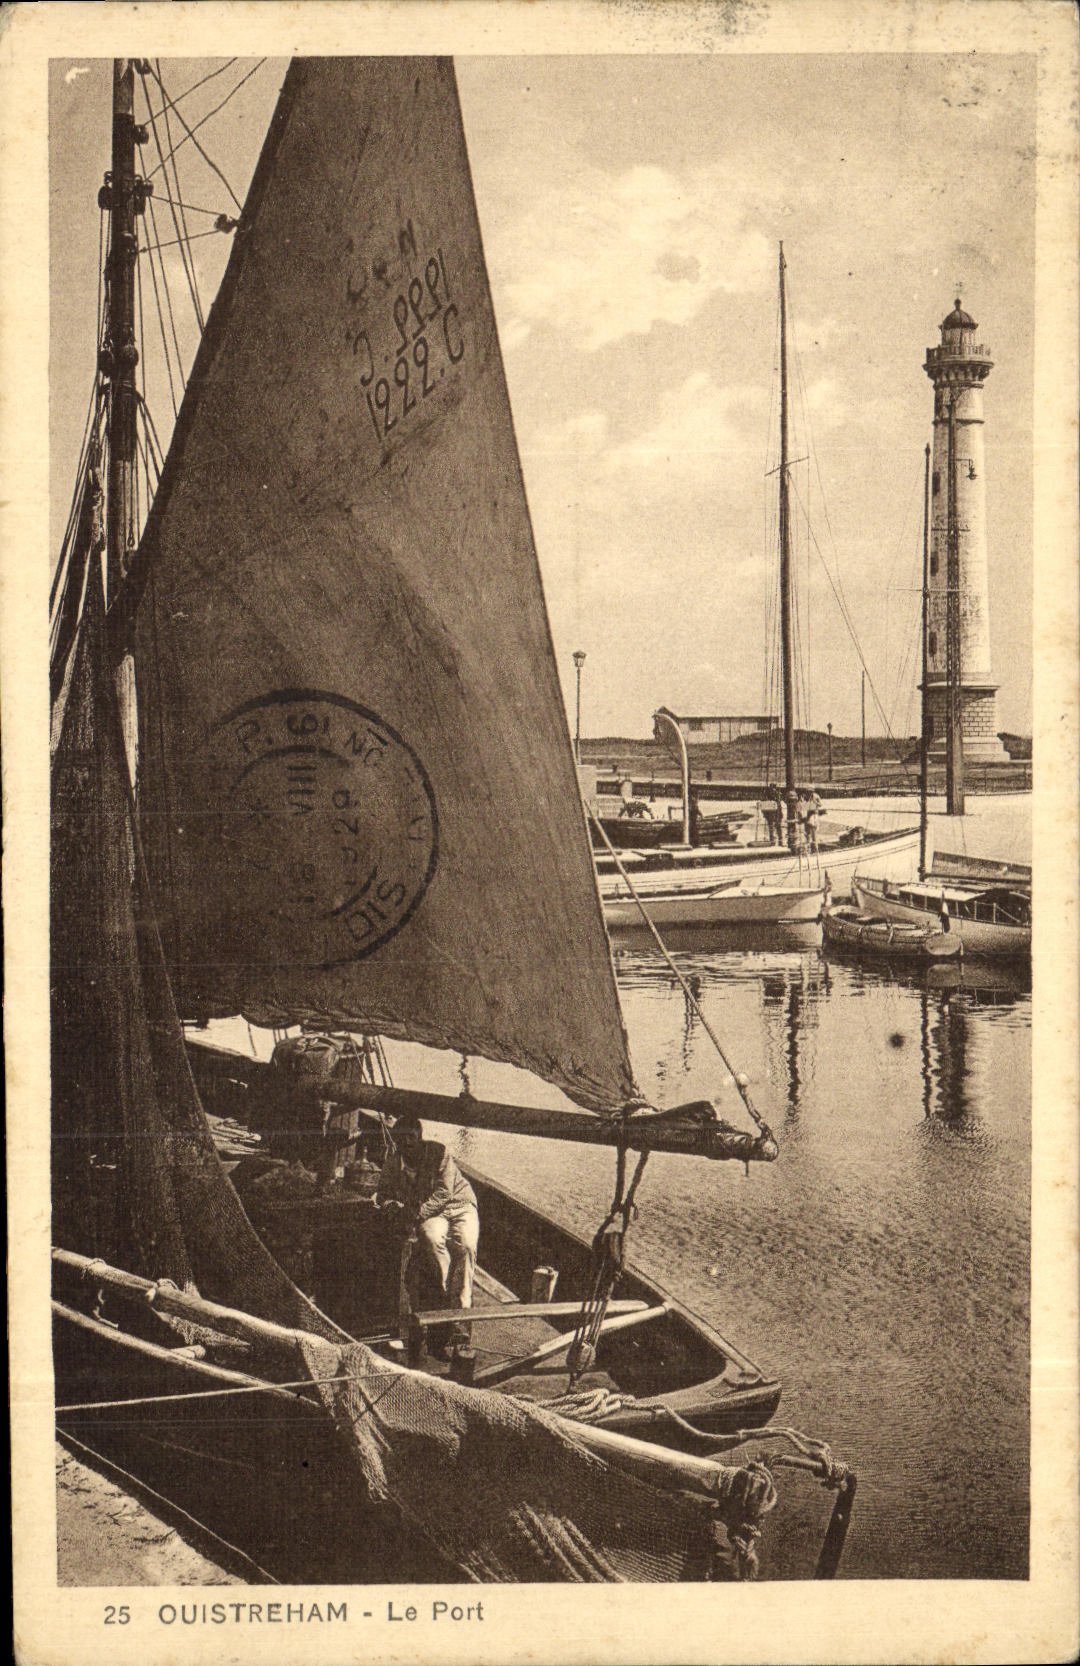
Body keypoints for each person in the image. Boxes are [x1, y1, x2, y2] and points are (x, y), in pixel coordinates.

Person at [376, 1115, 480, 1353]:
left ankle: (461, 1321)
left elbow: (444, 1193)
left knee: (465, 1246)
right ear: (397, 1141)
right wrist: (391, 1204)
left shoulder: (439, 1153)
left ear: (420, 1137)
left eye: (412, 1138)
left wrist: (415, 1213)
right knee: (430, 1239)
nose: (408, 1144)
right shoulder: (394, 1163)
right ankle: (442, 1299)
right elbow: (382, 1194)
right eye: (402, 1139)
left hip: (459, 1206)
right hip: (433, 1214)